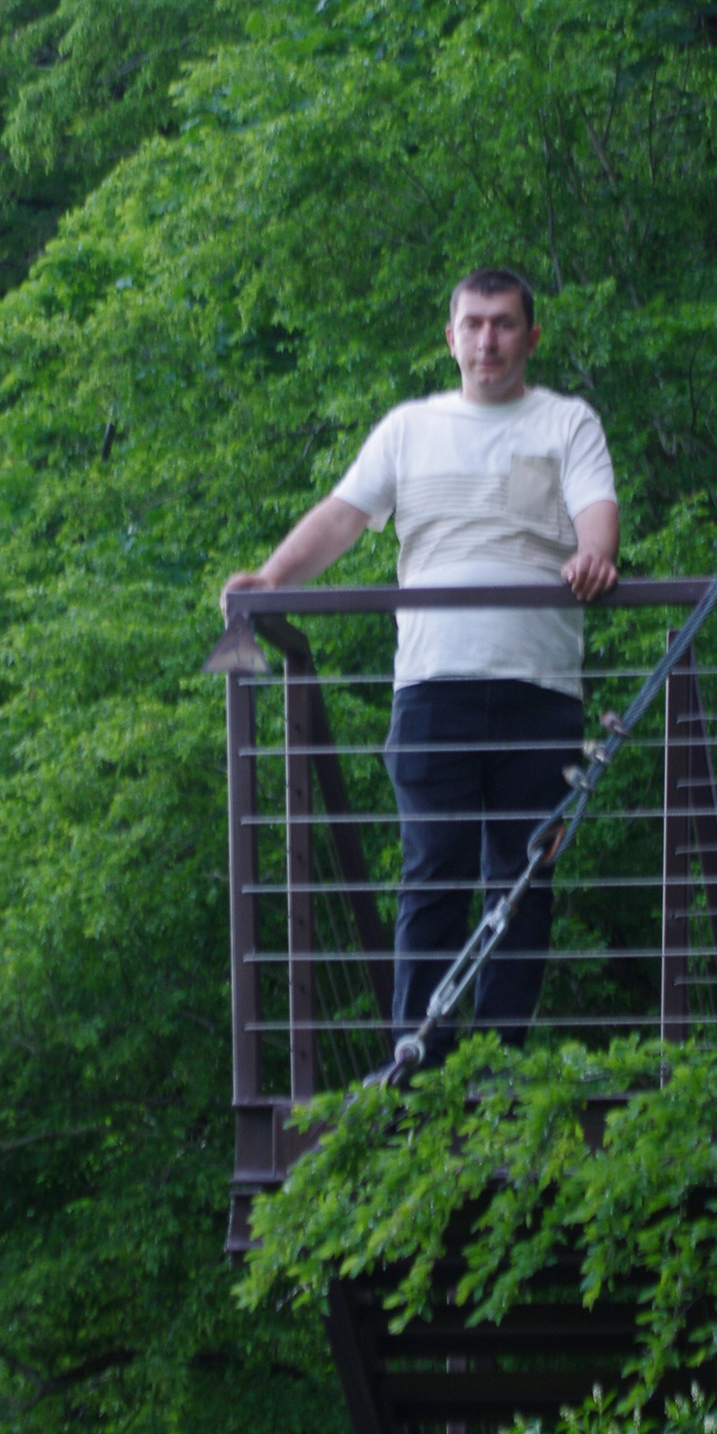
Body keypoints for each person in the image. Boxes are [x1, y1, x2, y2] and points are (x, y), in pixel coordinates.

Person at [223, 269, 620, 1044]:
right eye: (473, 323)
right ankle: (420, 1063)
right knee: (433, 872)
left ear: (531, 337)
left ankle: (501, 1066)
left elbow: (596, 511)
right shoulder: (409, 427)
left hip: (540, 686)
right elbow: (342, 517)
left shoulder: (568, 421)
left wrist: (596, 554)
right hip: (433, 686)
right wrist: (269, 579)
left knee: (524, 878)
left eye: (504, 323)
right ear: (450, 338)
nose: (488, 339)